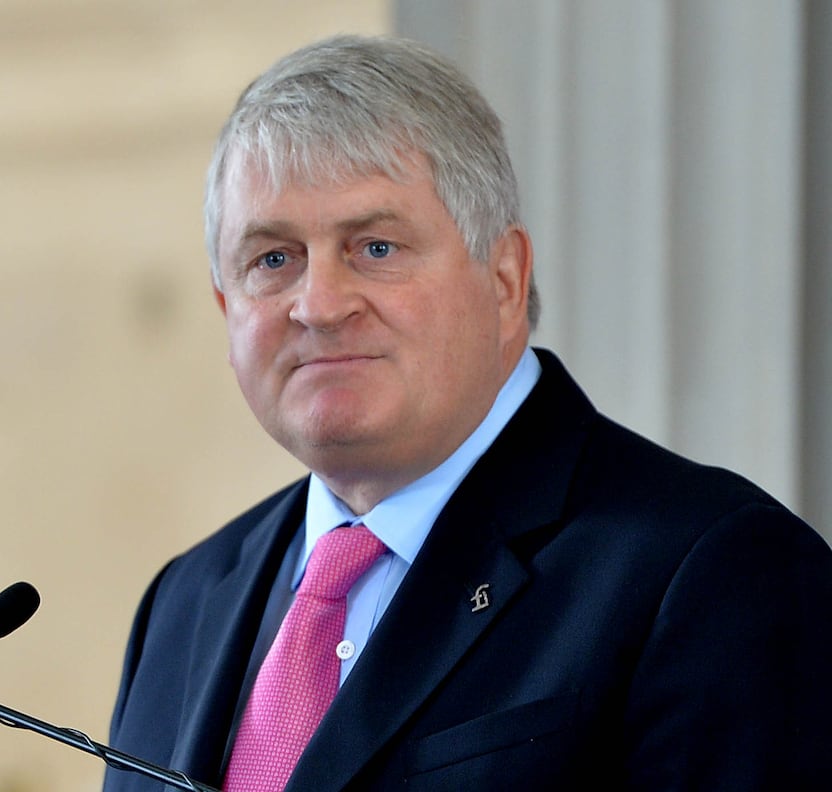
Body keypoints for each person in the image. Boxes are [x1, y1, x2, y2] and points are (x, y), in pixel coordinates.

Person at [103, 34, 832, 792]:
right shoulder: (183, 603)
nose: (318, 305)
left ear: (505, 278)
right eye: (273, 260)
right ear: (227, 309)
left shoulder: (714, 572)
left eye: (375, 248)